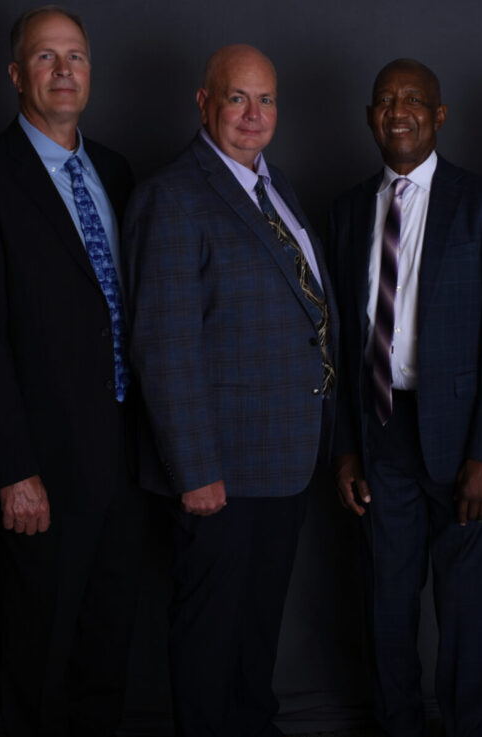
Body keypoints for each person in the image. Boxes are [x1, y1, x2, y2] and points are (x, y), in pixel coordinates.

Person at [0, 5, 145, 737]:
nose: (64, 70)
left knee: (107, 646)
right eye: (45, 57)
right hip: (43, 466)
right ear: (15, 73)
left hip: (124, 455)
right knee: (39, 656)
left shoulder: (116, 170)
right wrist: (14, 468)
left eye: (76, 56)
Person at [123, 44, 336, 737]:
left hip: (284, 456)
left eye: (266, 99)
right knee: (210, 630)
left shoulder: (274, 187)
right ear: (204, 103)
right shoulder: (173, 196)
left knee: (257, 624)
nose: (253, 114)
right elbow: (164, 345)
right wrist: (195, 468)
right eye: (237, 98)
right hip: (220, 467)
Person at [327, 58, 482, 737]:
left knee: (466, 614)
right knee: (387, 608)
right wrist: (347, 447)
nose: (399, 111)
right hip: (381, 432)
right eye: (386, 100)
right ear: (370, 117)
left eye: (414, 99)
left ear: (439, 115)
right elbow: (341, 342)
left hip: (465, 440)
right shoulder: (348, 210)